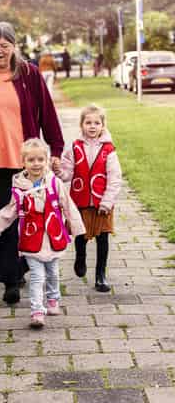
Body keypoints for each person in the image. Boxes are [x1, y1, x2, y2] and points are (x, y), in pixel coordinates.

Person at [0, 21, 64, 305]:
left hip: (29, 163)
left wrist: (56, 148)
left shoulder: (29, 74)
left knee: (29, 218)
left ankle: (21, 267)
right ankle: (11, 280)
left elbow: (47, 113)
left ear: (14, 47)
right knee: (5, 220)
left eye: (4, 46)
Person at [0, 138, 85, 327]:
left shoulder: (54, 183)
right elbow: (10, 211)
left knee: (53, 273)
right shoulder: (19, 188)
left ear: (47, 161)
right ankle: (37, 311)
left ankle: (53, 298)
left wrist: (76, 226)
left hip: (53, 237)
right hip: (31, 239)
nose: (36, 164)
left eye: (40, 159)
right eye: (31, 160)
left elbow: (67, 205)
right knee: (37, 277)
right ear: (23, 162)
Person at [58, 104, 122, 292]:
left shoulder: (109, 150)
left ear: (103, 125)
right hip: (81, 201)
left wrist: (108, 201)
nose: (92, 126)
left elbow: (115, 177)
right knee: (80, 235)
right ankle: (80, 257)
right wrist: (59, 171)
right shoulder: (74, 147)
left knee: (103, 238)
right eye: (88, 123)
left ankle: (100, 275)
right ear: (81, 125)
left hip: (102, 203)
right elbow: (67, 173)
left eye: (96, 123)